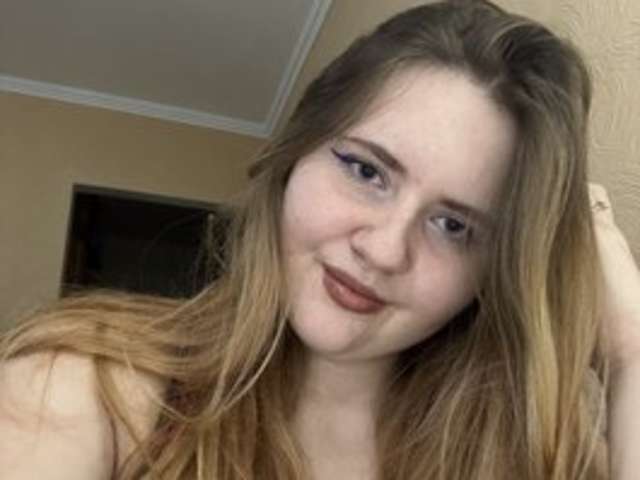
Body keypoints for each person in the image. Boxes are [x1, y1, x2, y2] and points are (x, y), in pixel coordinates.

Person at [1, 0, 639, 478]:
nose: (384, 251)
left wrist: (631, 349)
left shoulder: (532, 457)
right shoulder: (89, 385)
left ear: (490, 272)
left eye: (454, 226)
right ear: (295, 153)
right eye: (366, 171)